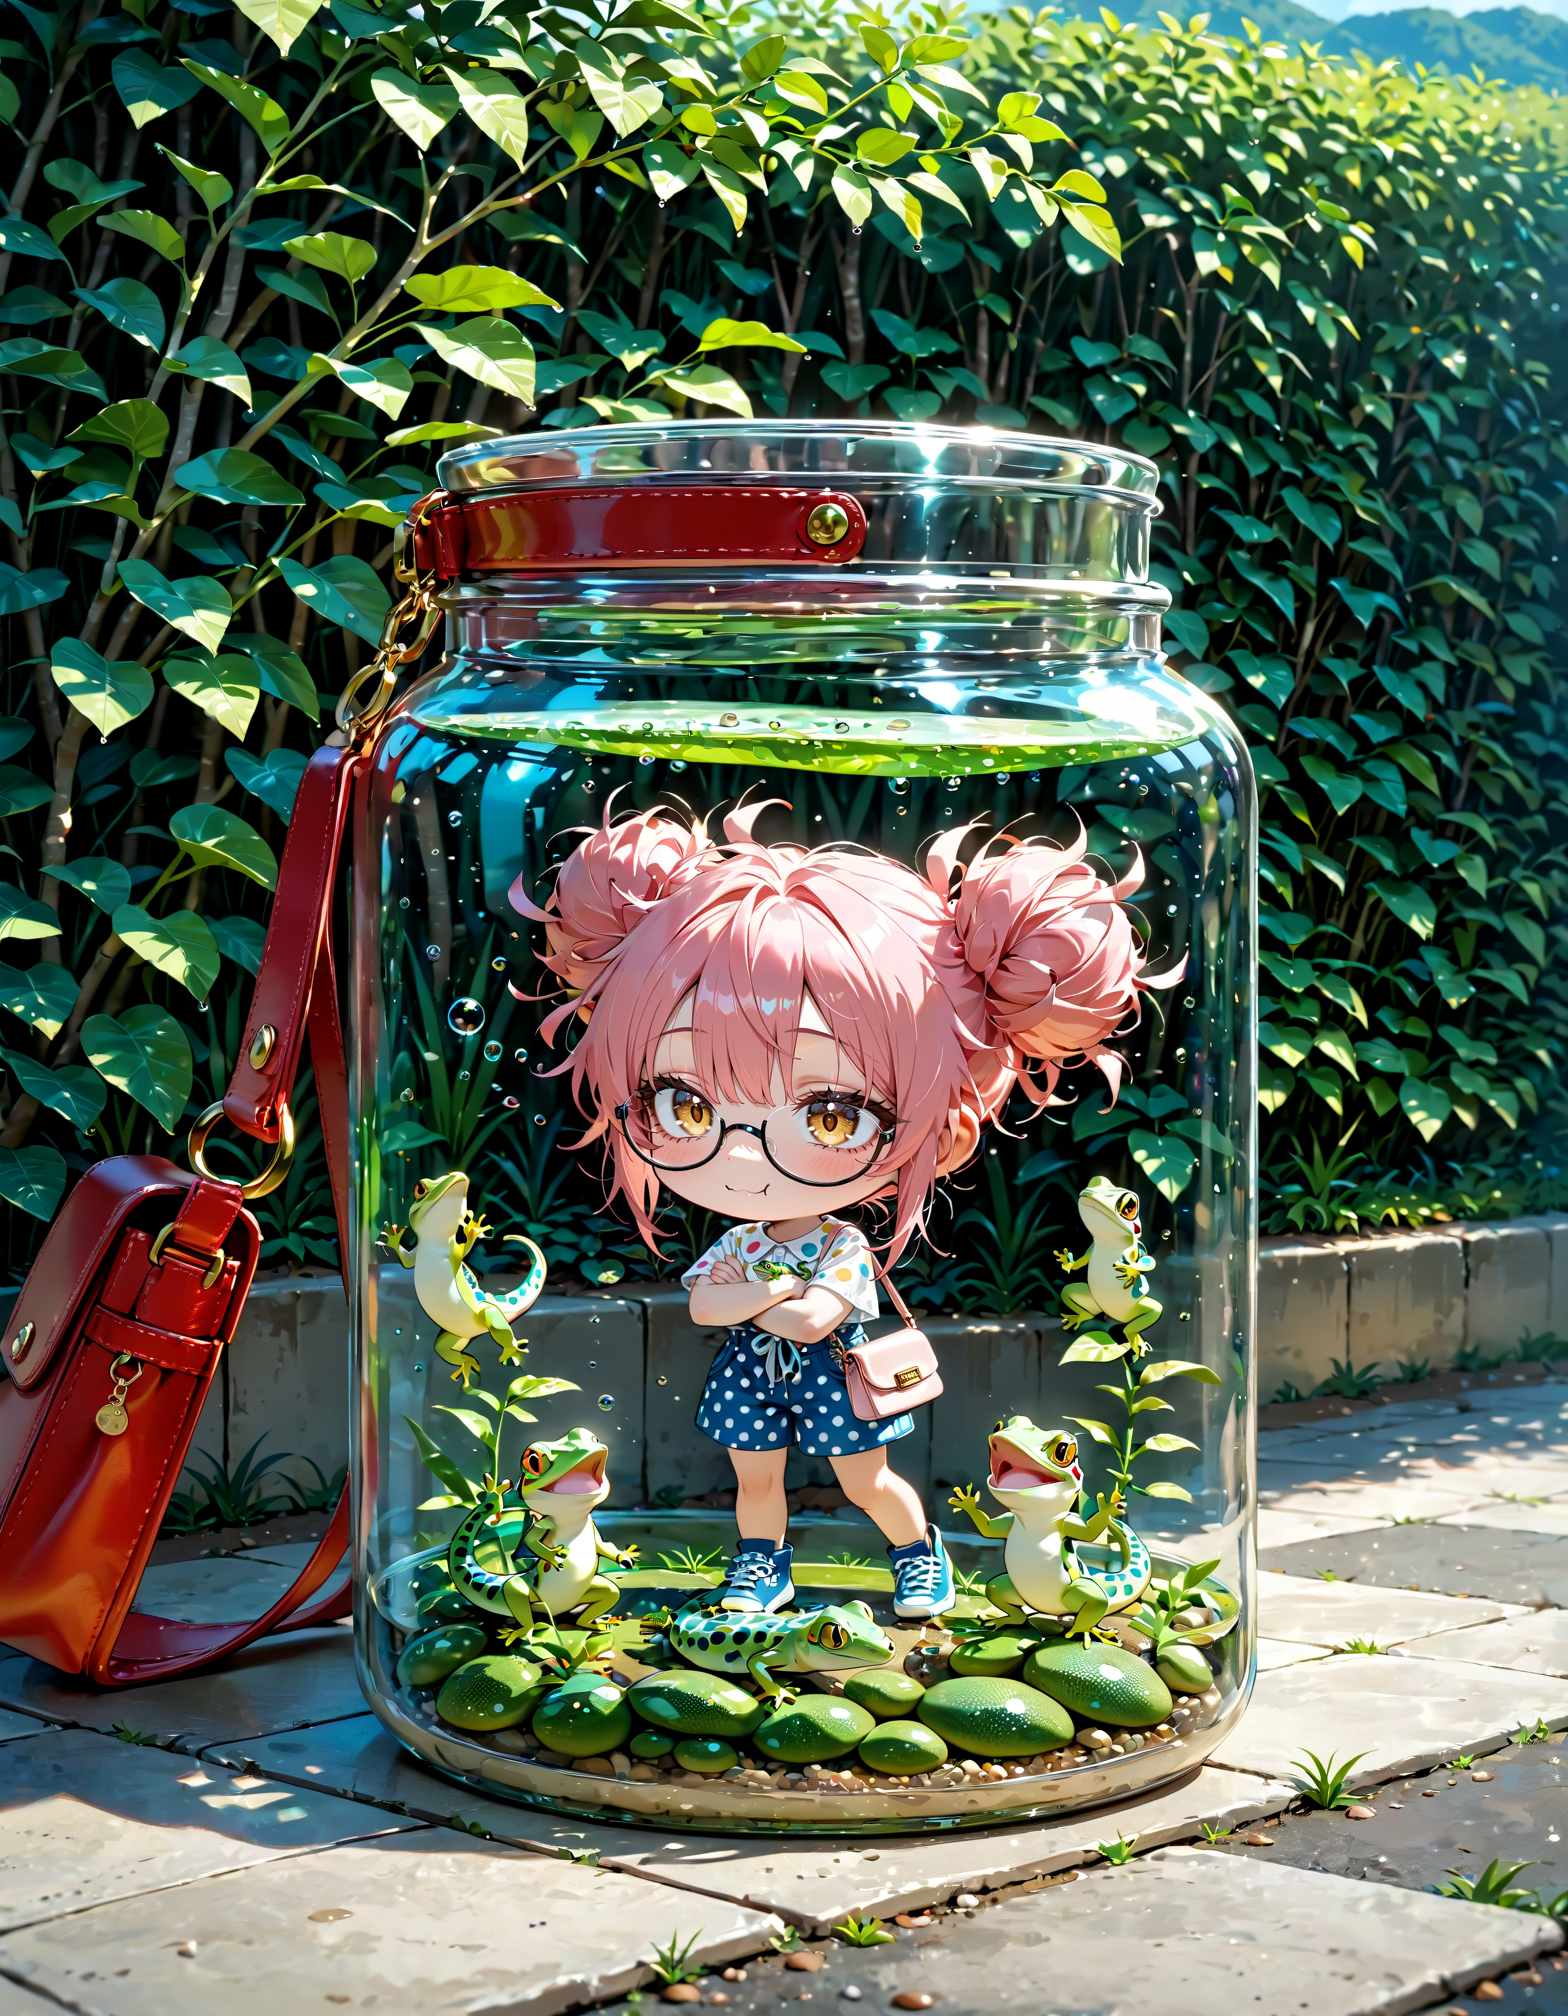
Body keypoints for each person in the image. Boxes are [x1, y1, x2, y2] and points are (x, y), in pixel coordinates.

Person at [513, 797, 1171, 1620]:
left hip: (833, 1376)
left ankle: (918, 1555)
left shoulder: (841, 1245)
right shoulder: (752, 1243)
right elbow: (707, 1306)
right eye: (684, 1104)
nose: (741, 1155)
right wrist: (770, 1295)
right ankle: (762, 1567)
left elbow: (811, 1320)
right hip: (751, 1374)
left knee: (867, 1481)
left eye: (830, 1116)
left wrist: (756, 1295)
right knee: (755, 1482)